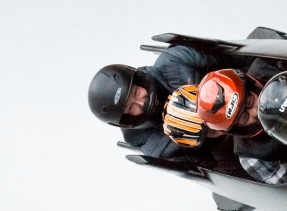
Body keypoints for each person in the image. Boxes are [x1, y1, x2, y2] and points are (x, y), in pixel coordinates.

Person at [87, 44, 230, 164]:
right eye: (131, 107)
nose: (141, 102)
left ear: (139, 80)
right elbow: (208, 165)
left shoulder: (174, 60)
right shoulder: (151, 143)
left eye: (136, 92)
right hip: (226, 144)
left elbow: (228, 60)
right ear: (127, 119)